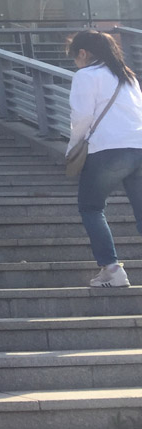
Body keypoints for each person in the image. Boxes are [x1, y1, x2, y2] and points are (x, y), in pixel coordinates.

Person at [67, 30, 142, 288]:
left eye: (74, 56)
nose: (75, 62)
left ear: (83, 53)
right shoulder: (128, 77)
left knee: (91, 207)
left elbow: (81, 118)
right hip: (139, 147)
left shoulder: (86, 75)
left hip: (108, 150)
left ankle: (112, 270)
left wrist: (72, 149)